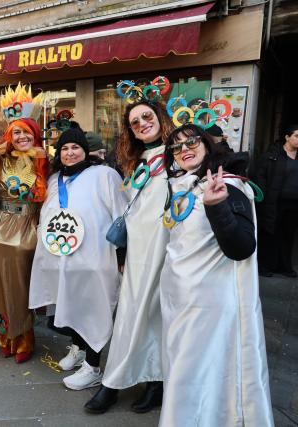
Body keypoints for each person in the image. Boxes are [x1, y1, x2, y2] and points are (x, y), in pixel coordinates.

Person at [159, 124, 273, 426]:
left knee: (201, 373)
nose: (184, 149)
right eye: (176, 146)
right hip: (181, 304)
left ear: (207, 144)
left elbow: (242, 247)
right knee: (186, 373)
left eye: (191, 141)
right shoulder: (184, 183)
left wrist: (217, 206)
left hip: (209, 307)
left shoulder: (229, 184)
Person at [85, 99, 174, 414]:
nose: (142, 124)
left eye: (146, 117)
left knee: (158, 317)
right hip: (138, 251)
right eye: (135, 122)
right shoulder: (136, 161)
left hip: (168, 250)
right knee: (130, 316)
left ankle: (155, 382)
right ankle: (116, 381)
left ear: (160, 117)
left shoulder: (178, 153)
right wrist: (123, 251)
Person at [29, 124, 128, 390]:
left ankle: (93, 367)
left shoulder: (104, 175)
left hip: (94, 258)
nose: (70, 153)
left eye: (75, 148)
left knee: (93, 309)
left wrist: (122, 254)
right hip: (62, 259)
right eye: (65, 148)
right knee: (70, 304)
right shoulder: (53, 179)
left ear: (86, 151)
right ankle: (78, 349)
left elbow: (122, 215)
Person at [0, 84, 49, 364]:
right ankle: (4, 334)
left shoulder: (44, 161)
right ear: (9, 135)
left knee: (20, 283)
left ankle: (24, 336)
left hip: (26, 226)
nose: (21, 136)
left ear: (35, 134)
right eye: (16, 131)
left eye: (27, 131)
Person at [254, 124, 298, 277]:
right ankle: (264, 266)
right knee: (269, 233)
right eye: (297, 136)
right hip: (274, 202)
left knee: (288, 235)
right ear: (287, 137)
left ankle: (285, 267)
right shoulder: (272, 155)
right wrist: (263, 199)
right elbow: (261, 178)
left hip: (293, 204)